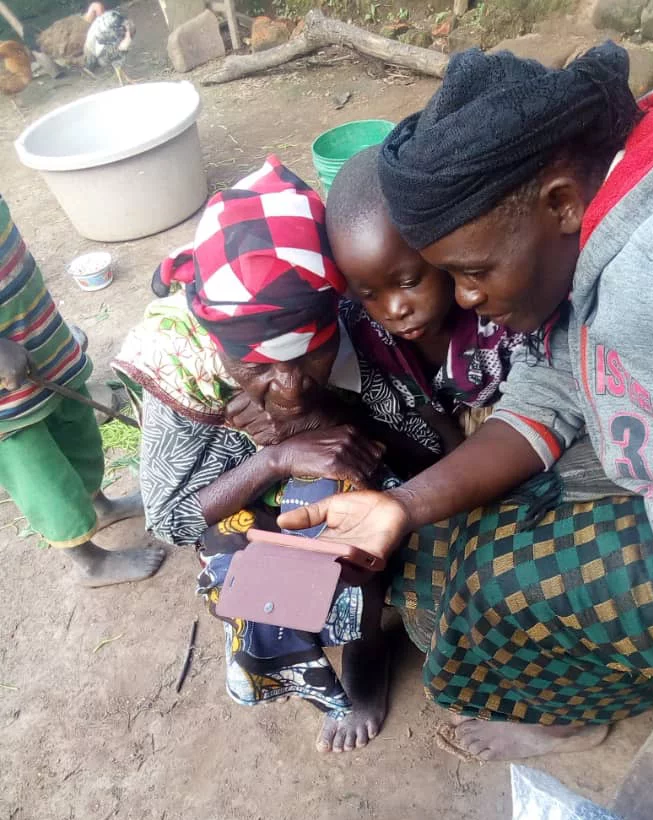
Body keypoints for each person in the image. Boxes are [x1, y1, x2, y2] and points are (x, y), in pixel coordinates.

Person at [278, 44, 653, 761]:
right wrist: (401, 505)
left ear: (560, 202)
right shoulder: (598, 247)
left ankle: (571, 717)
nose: (466, 300)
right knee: (442, 550)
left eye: (471, 271)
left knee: (501, 593)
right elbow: (554, 390)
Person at [113, 156, 448, 753]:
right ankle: (285, 640)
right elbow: (171, 519)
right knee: (261, 563)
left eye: (310, 356)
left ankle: (364, 648)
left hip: (346, 463)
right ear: (221, 348)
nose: (289, 386)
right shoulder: (180, 359)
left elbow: (429, 446)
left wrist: (330, 419)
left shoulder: (350, 311)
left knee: (346, 523)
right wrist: (274, 458)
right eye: (258, 367)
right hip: (236, 491)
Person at [0, 193, 164, 586]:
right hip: (9, 402)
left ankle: (100, 505)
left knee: (77, 432)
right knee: (41, 475)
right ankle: (90, 562)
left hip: (40, 336)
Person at [326, 147, 526, 450]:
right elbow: (427, 410)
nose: (395, 309)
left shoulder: (497, 311)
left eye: (409, 282)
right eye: (369, 294)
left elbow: (535, 408)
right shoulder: (370, 332)